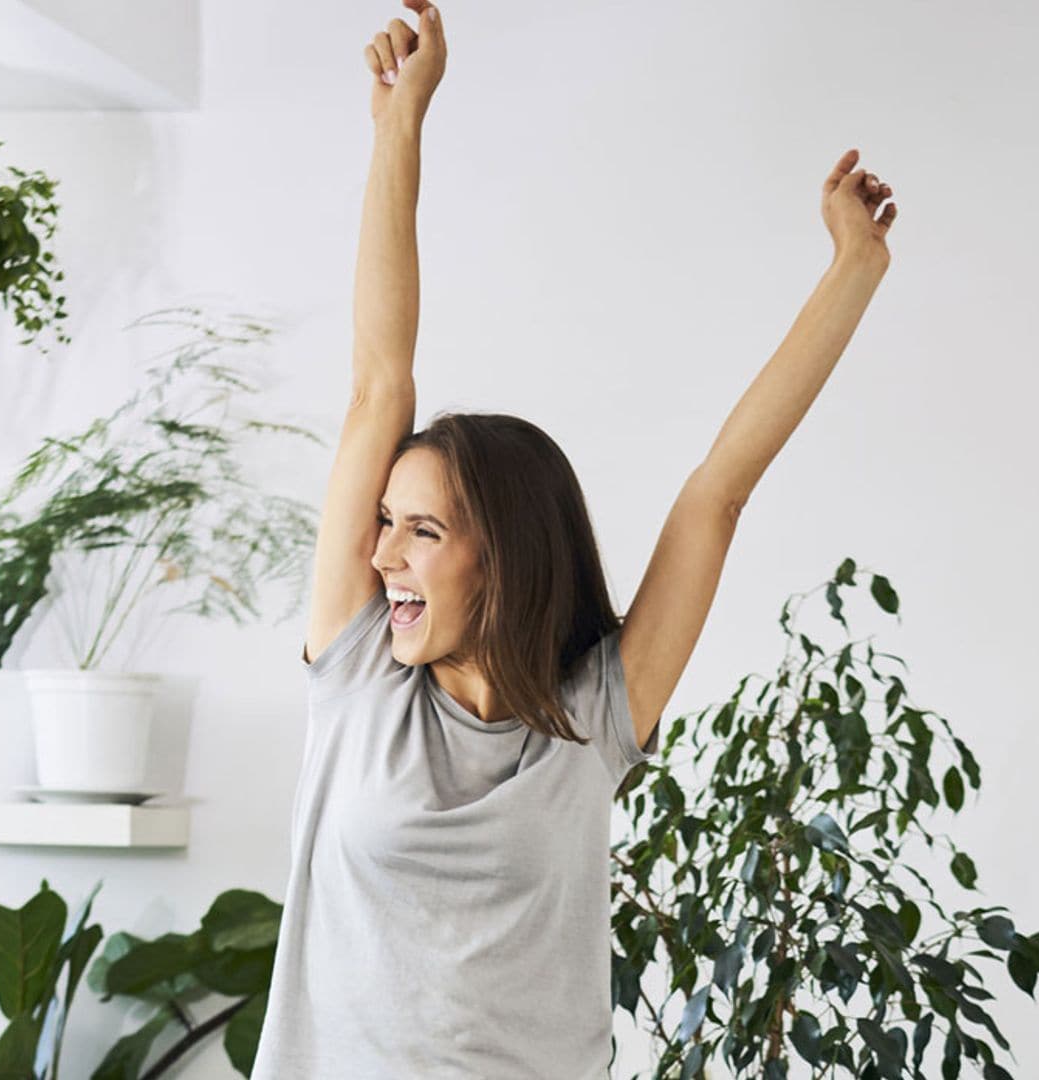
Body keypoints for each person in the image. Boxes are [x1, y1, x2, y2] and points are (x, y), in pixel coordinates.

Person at [250, 1, 897, 1075]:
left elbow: (716, 496)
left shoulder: (594, 719)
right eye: (383, 525)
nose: (381, 555)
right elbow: (379, 384)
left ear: (498, 557)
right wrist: (398, 126)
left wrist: (853, 270)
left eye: (421, 531)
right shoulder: (358, 673)